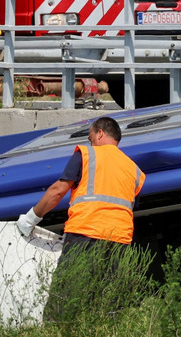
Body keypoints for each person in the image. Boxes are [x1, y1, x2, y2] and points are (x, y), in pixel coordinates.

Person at [15, 117, 146, 319]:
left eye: (90, 136)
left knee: (63, 303)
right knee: (109, 308)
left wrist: (30, 219)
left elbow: (57, 191)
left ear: (100, 133)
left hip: (85, 236)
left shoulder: (86, 154)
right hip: (120, 243)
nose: (90, 141)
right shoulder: (134, 170)